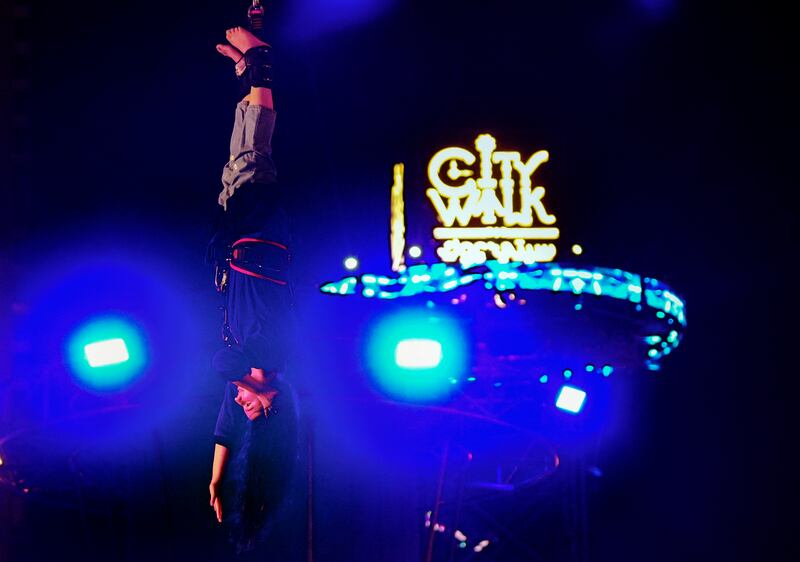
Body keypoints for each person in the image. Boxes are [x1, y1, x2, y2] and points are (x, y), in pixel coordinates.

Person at [206, 26, 298, 554]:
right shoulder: (269, 353)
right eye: (255, 408)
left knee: (236, 156)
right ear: (275, 400)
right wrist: (257, 388)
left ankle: (245, 72)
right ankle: (261, 62)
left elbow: (224, 421)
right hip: (260, 229)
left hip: (238, 232)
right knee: (252, 152)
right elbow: (225, 372)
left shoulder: (247, 365)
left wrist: (218, 479)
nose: (242, 405)